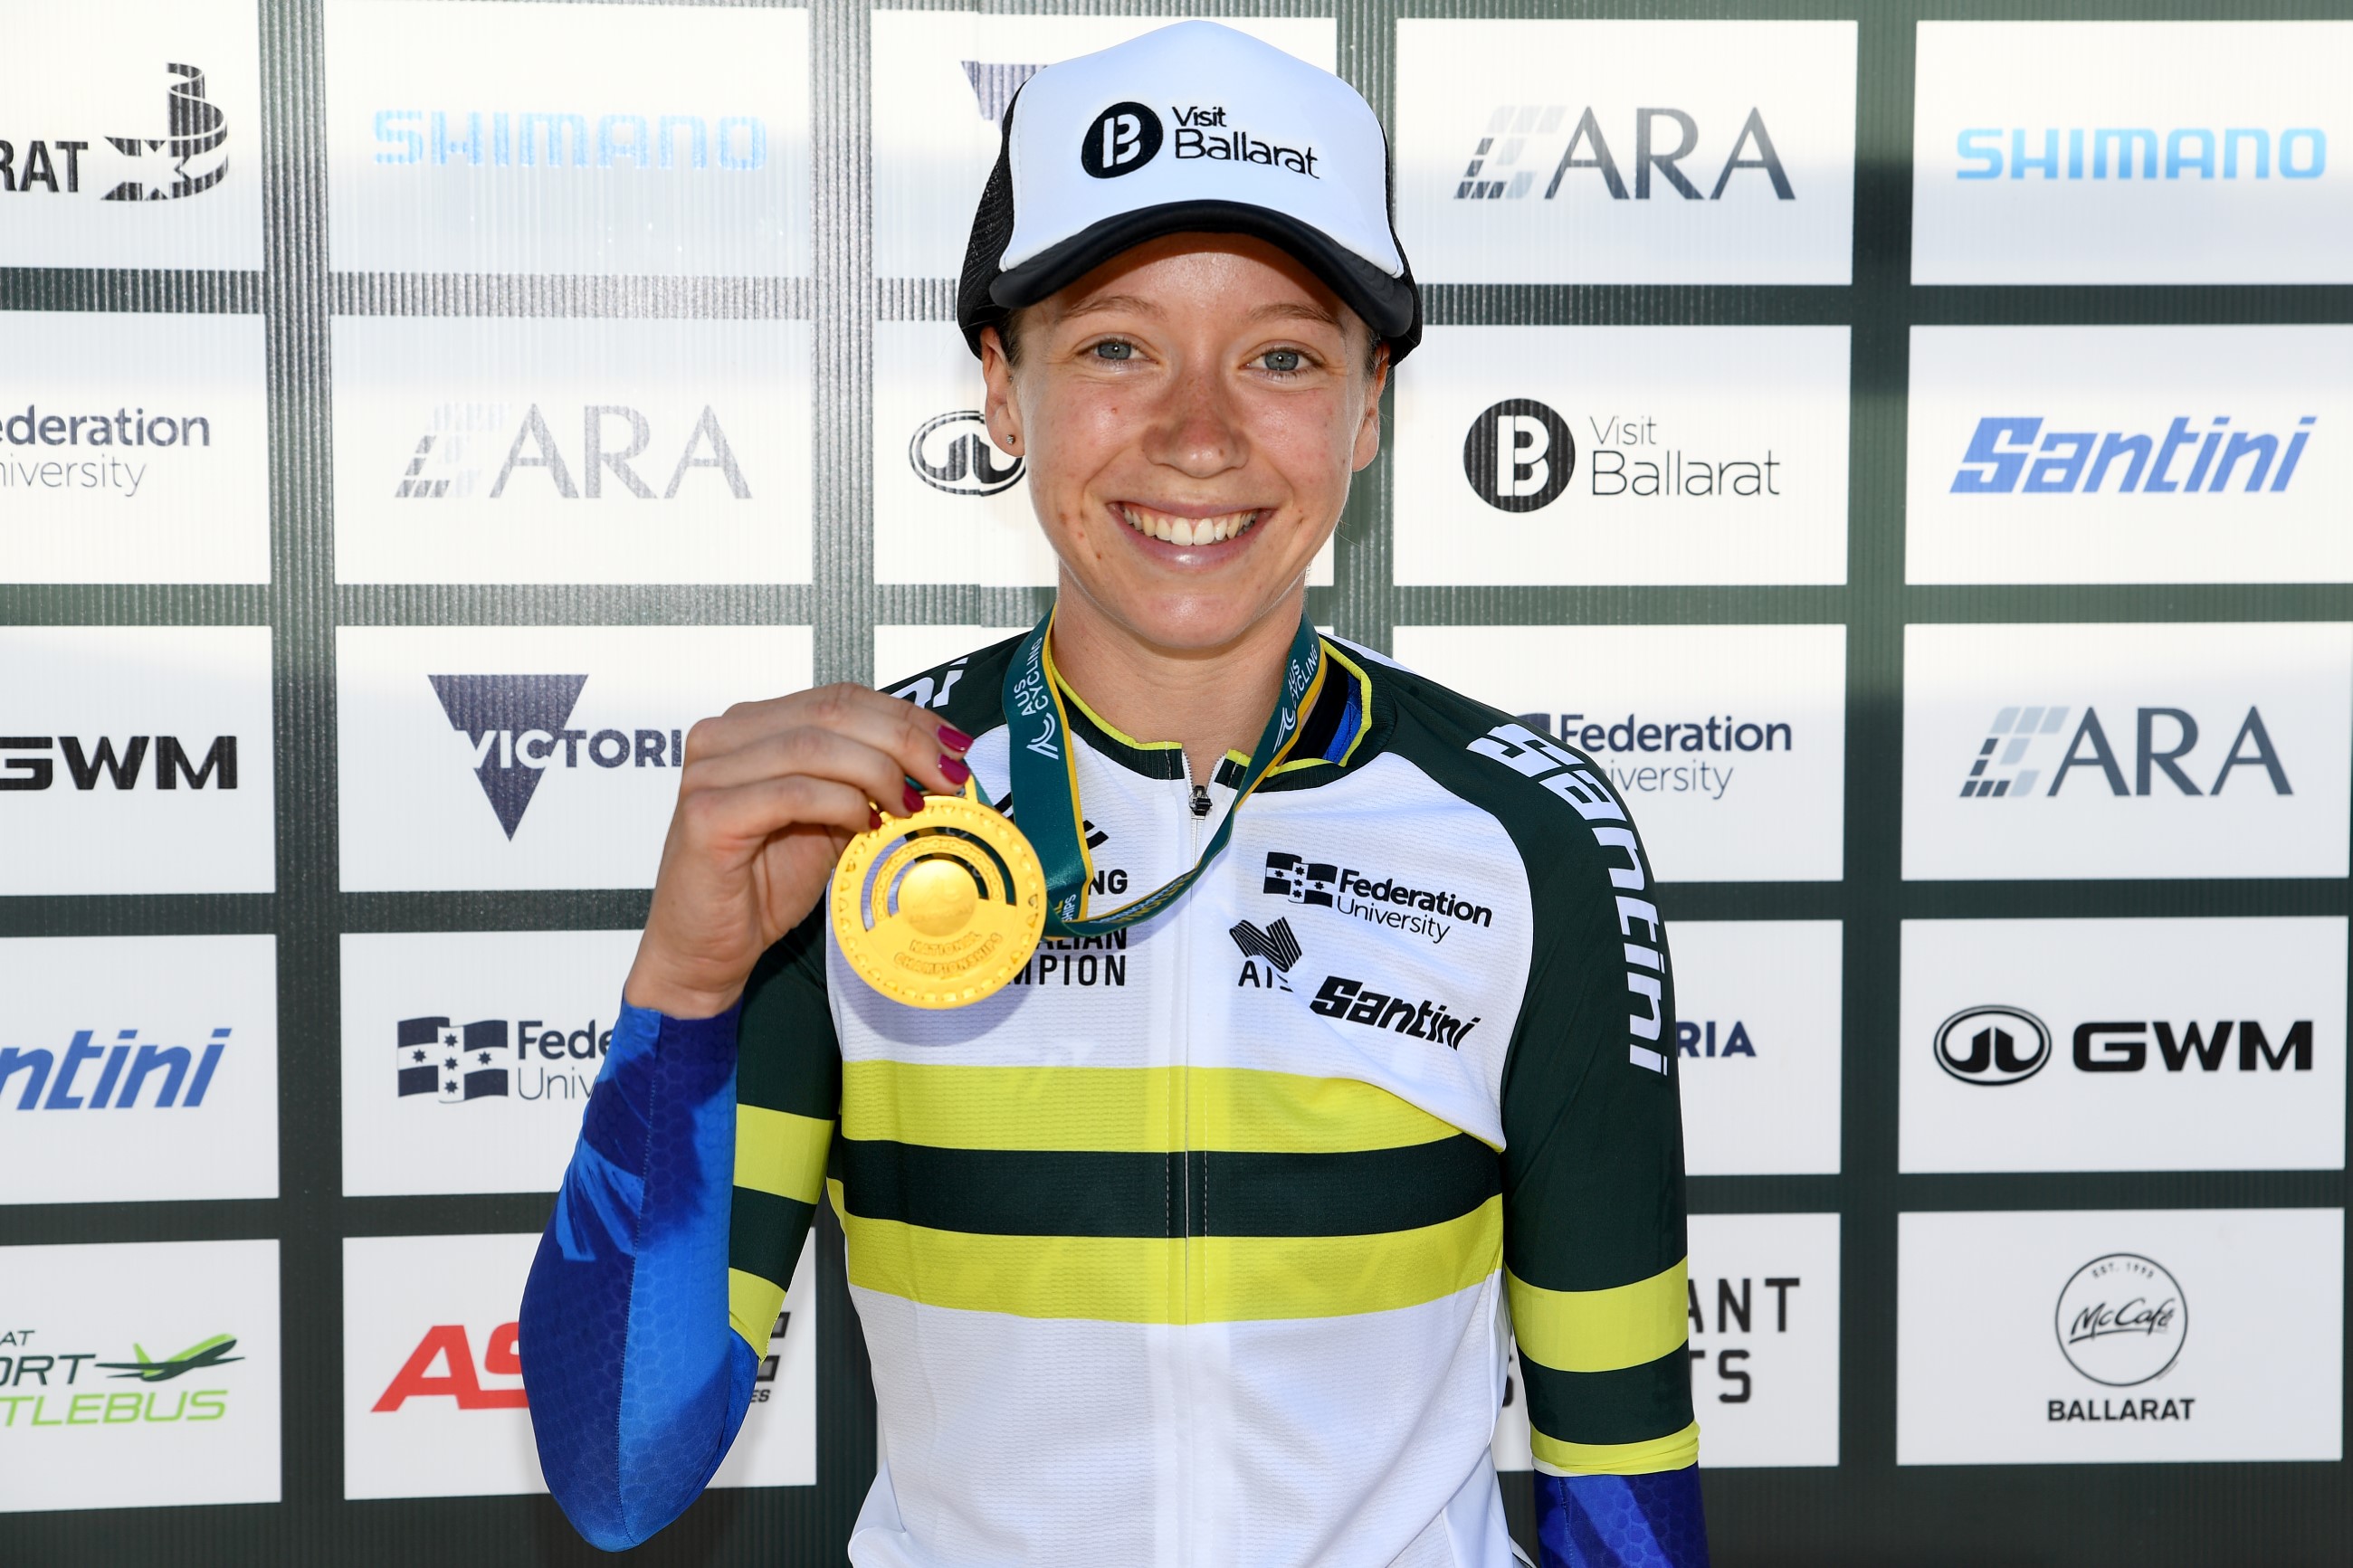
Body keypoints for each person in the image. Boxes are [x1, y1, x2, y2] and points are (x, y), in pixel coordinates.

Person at [520, 22, 1709, 1568]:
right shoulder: (858, 823)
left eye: (1280, 354)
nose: (1198, 432)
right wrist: (685, 980)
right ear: (1002, 394)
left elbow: (1623, 1481)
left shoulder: (1529, 833)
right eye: (1115, 347)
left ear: (1370, 407)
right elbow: (619, 1467)